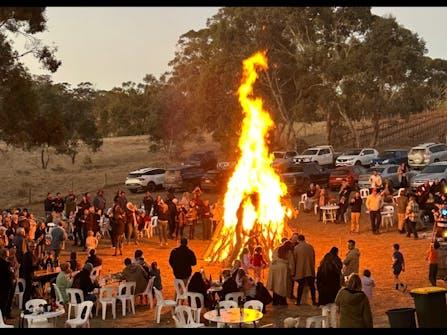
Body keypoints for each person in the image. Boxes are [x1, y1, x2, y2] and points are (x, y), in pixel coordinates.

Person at [291, 234, 317, 305]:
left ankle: (298, 301)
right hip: (310, 270)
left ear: (298, 240)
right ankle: (314, 301)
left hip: (301, 270)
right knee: (312, 286)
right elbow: (314, 258)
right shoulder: (310, 247)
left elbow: (294, 260)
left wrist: (293, 271)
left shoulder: (296, 248)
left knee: (300, 286)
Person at [267, 241, 294, 305]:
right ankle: (282, 301)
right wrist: (292, 272)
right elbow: (291, 263)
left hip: (274, 267)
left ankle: (275, 301)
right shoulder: (289, 252)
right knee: (282, 285)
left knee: (275, 284)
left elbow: (273, 256)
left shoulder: (277, 249)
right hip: (283, 269)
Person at [0, 248, 15, 318]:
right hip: (6, 285)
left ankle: (3, 316)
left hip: (3, 285)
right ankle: (4, 316)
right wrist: (12, 271)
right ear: (5, 254)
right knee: (5, 302)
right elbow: (10, 273)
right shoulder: (5, 263)